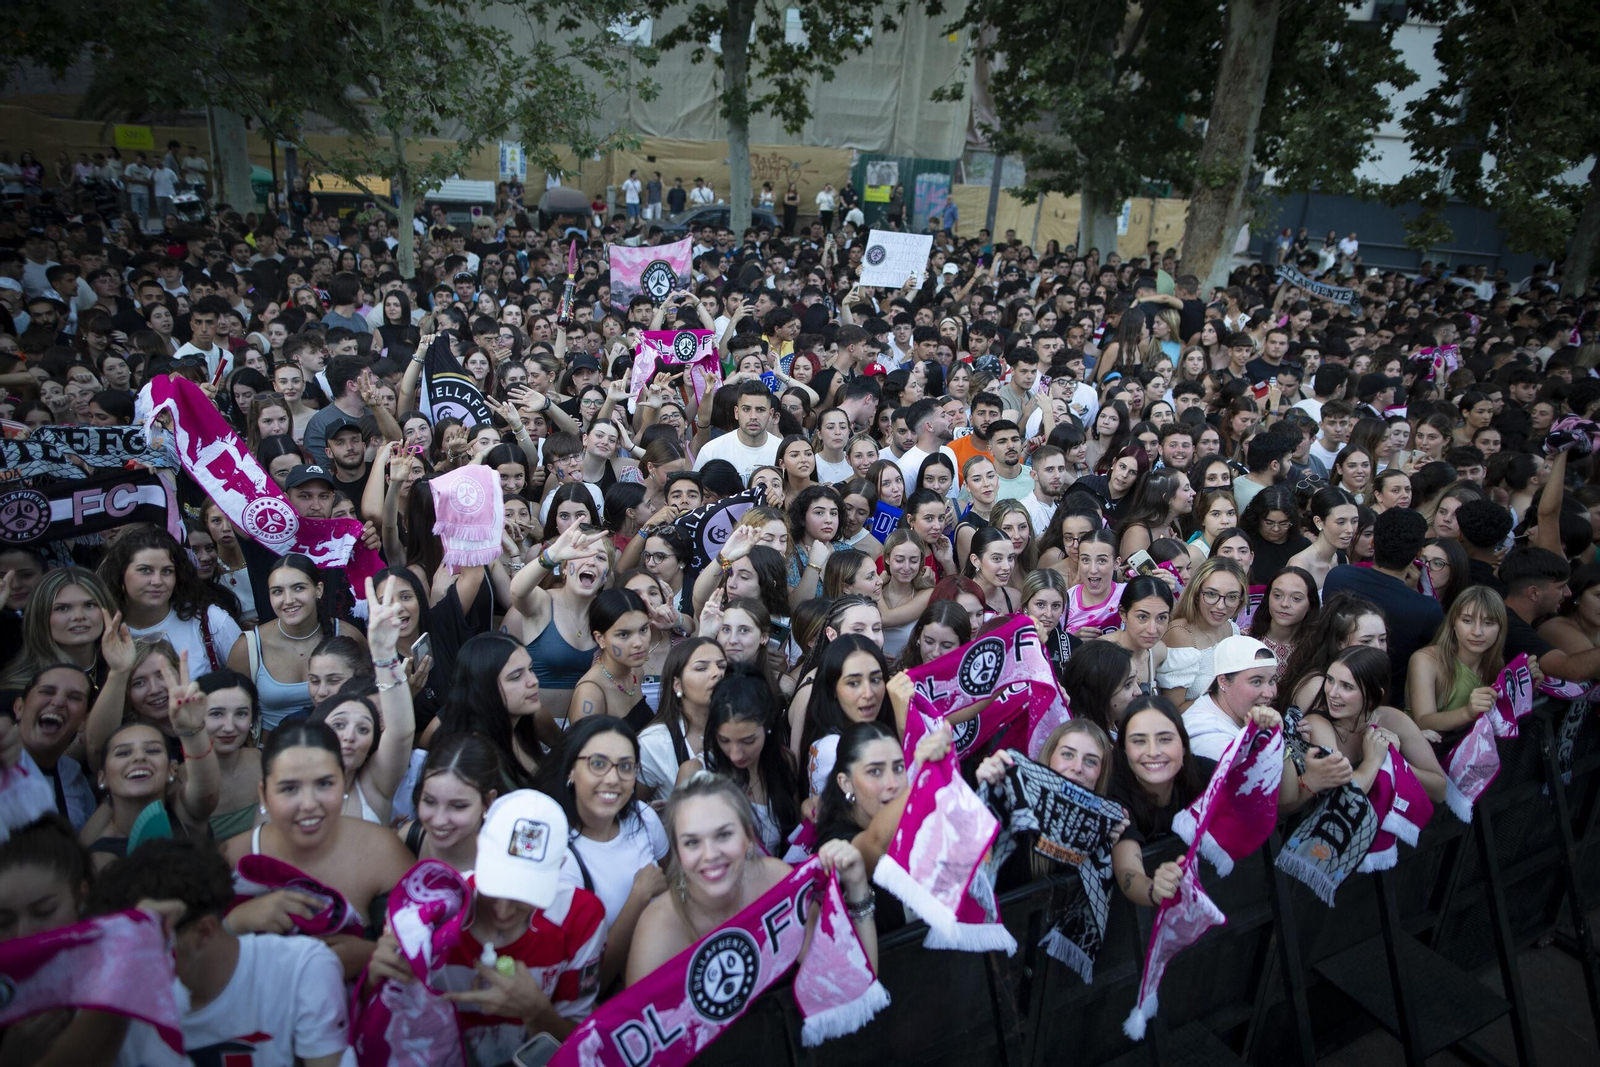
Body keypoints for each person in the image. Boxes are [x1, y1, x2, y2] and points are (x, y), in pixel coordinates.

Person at [91, 839, 353, 1067]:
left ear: (204, 932)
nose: (133, 961)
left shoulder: (301, 969)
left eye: (146, 944)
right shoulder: (117, 1007)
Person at [623, 772, 876, 984]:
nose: (710, 854)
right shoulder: (658, 926)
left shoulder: (775, 882)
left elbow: (850, 981)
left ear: (748, 839)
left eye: (723, 835)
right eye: (692, 842)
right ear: (677, 851)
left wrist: (856, 886)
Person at [533, 716, 666, 988]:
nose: (613, 779)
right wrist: (638, 897)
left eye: (626, 767)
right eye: (597, 764)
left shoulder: (644, 818)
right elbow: (590, 985)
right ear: (570, 769)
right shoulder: (558, 858)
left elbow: (669, 876)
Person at [1323, 507, 1444, 699]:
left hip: (1331, 687)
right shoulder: (1426, 609)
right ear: (1419, 553)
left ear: (1373, 542)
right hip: (1386, 698)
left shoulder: (1338, 576)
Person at [1109, 696, 1212, 906]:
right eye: (1139, 741)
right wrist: (1154, 890)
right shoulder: (1114, 791)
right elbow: (1127, 870)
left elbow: (1263, 795)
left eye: (1165, 739)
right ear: (1124, 750)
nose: (1153, 752)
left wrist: (1268, 737)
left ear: (1183, 746)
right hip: (1131, 924)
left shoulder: (1204, 772)